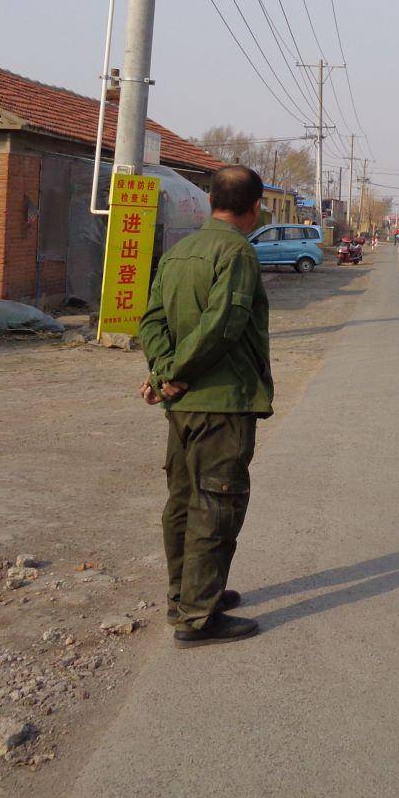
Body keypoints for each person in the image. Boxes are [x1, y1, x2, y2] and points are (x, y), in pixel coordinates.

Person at [139, 164, 272, 647]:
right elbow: (223, 325)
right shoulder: (236, 252)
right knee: (215, 504)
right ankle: (198, 616)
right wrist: (174, 374)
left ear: (212, 198)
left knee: (183, 501)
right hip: (220, 402)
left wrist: (163, 374)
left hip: (183, 405)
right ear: (256, 206)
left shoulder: (179, 251)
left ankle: (186, 594)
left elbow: (151, 319)